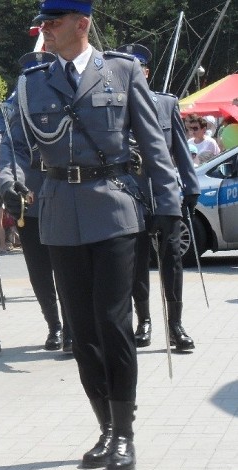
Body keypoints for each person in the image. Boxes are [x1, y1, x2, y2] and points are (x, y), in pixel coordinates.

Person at [0, 2, 183, 470]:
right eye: (43, 23)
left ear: (81, 24)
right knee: (81, 330)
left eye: (53, 23)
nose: (46, 30)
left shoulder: (120, 72)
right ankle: (105, 426)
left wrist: (167, 207)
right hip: (59, 214)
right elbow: (16, 147)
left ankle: (125, 433)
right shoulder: (31, 82)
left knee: (111, 322)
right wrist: (11, 181)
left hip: (114, 209)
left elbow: (154, 142)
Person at [116, 43, 199, 352]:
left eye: (139, 68)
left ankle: (176, 325)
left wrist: (190, 187)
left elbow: (179, 147)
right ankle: (144, 321)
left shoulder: (165, 104)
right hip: (130, 196)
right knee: (136, 263)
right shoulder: (112, 106)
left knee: (172, 260)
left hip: (164, 195)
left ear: (146, 72)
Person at [0, 50, 72, 352]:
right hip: (30, 201)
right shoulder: (16, 114)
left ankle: (71, 327)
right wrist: (8, 184)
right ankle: (54, 325)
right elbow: (10, 154)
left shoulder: (68, 105)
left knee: (66, 269)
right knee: (39, 271)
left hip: (64, 199)